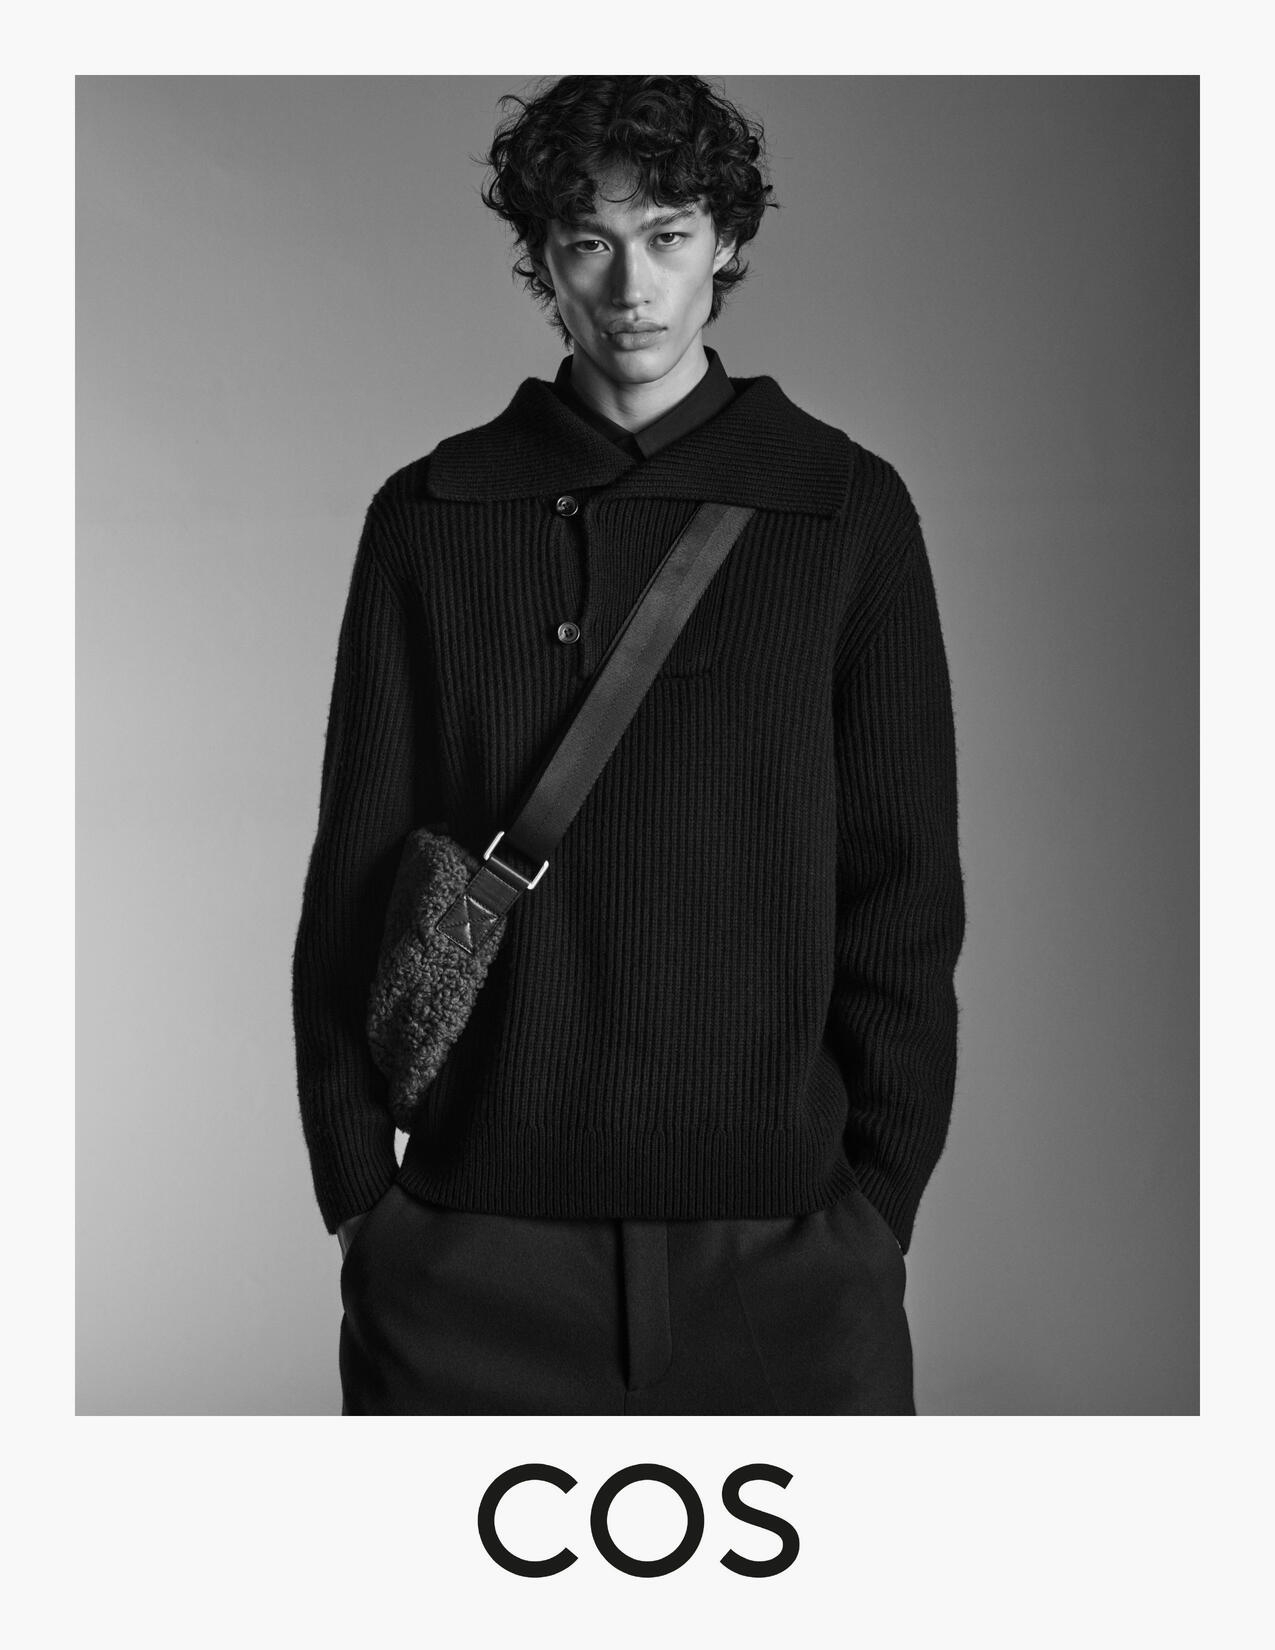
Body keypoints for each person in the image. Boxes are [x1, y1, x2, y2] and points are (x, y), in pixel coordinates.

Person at [291, 75, 966, 1415]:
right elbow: (355, 871)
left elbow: (904, 887)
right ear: (542, 257)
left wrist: (876, 1206)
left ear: (726, 240)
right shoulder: (434, 512)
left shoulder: (843, 509)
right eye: (588, 241)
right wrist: (363, 1195)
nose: (632, 286)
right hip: (474, 1248)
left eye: (667, 235)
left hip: (786, 1249)